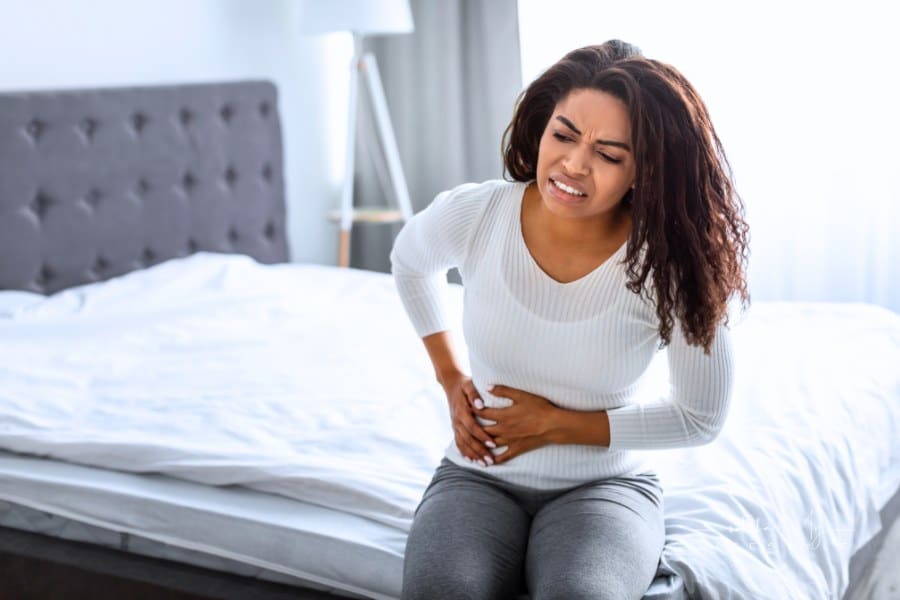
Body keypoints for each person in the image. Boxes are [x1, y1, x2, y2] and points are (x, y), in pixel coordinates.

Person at [390, 39, 750, 600]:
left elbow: (700, 417)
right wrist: (451, 377)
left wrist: (557, 425)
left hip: (606, 488)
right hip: (477, 475)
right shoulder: (479, 213)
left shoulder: (669, 263)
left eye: (609, 154)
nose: (574, 165)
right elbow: (410, 263)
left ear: (644, 170)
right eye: (563, 135)